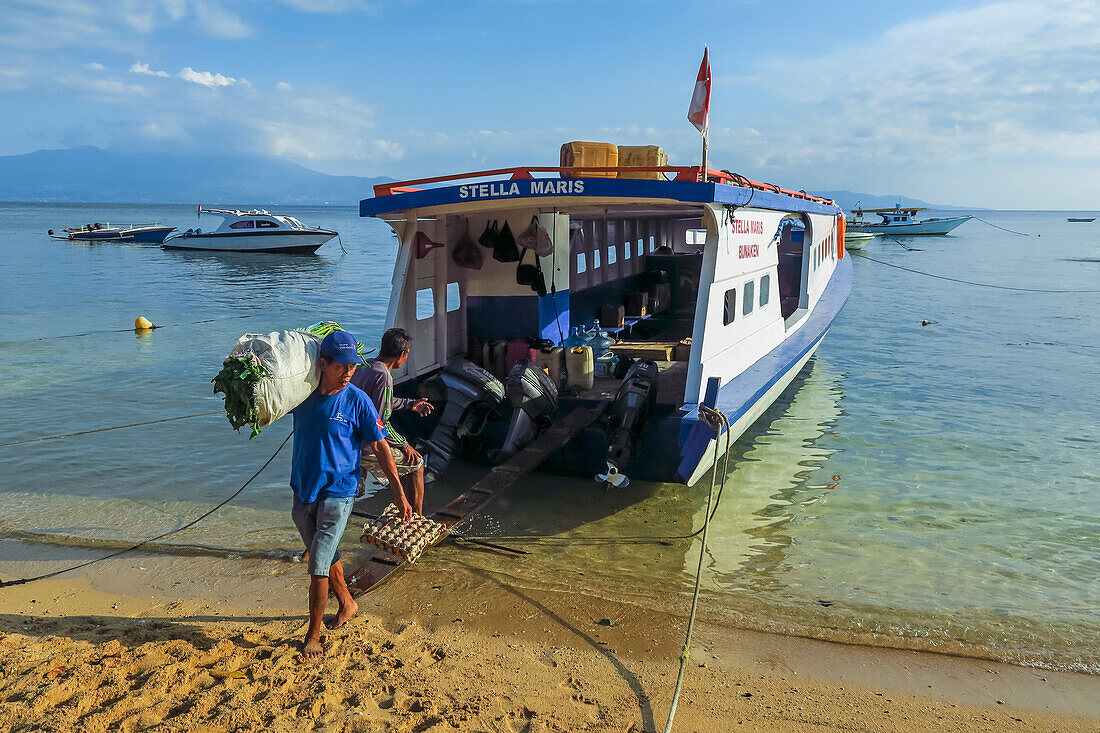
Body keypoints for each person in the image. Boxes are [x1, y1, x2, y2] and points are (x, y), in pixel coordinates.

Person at [290, 330, 411, 659]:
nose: (348, 373)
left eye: (353, 367)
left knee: (317, 564)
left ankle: (313, 635)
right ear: (322, 364)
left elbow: (381, 447)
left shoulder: (358, 400)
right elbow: (269, 401)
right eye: (341, 366)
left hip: (340, 492)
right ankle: (348, 602)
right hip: (304, 491)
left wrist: (399, 493)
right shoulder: (301, 397)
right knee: (324, 553)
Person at [351, 327, 433, 515]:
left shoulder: (366, 366)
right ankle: (417, 520)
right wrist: (405, 445)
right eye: (407, 354)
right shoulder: (384, 376)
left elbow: (381, 402)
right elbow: (381, 421)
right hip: (368, 446)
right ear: (401, 355)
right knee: (417, 463)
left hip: (352, 441)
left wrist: (410, 404)